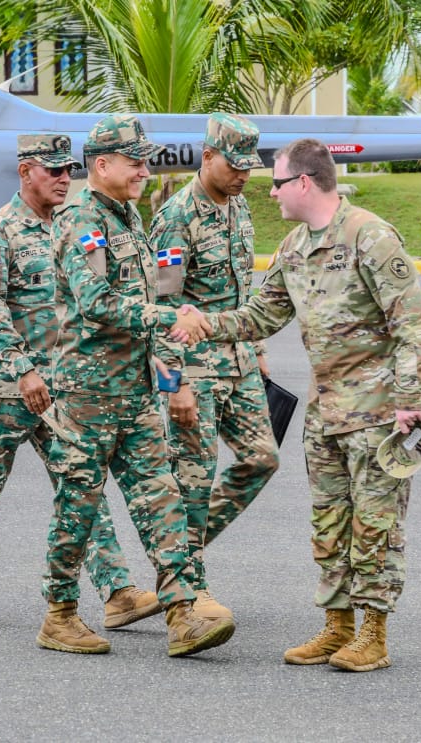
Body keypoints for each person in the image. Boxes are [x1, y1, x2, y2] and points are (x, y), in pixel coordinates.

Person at [177, 138, 421, 672]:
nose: (268, 192)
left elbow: (415, 332)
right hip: (325, 417)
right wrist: (203, 323)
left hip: (378, 416)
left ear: (302, 182)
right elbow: (258, 317)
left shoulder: (371, 236)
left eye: (275, 182)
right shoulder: (295, 246)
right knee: (329, 524)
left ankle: (374, 635)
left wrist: (409, 405)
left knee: (376, 526)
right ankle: (338, 627)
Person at [0, 133, 160, 630]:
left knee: (81, 485)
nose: (63, 179)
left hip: (61, 389)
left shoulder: (72, 226)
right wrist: (24, 369)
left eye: (67, 171)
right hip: (5, 389)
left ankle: (117, 590)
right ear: (25, 172)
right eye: (52, 170)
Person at [38, 114, 231, 656]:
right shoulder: (82, 218)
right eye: (135, 161)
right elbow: (94, 302)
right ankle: (59, 614)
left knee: (162, 499)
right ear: (102, 164)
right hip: (90, 394)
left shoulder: (125, 216)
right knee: (77, 507)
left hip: (136, 392)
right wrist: (159, 315)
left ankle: (181, 614)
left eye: (147, 160)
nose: (146, 170)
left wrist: (170, 374)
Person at [148, 112, 280, 620]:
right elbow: (161, 308)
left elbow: (243, 288)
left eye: (250, 166)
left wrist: (259, 346)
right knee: (193, 480)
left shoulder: (239, 206)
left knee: (262, 459)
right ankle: (189, 587)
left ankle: (176, 557)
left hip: (240, 360)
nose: (244, 174)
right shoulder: (176, 216)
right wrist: (172, 384)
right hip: (193, 372)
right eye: (235, 164)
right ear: (207, 157)